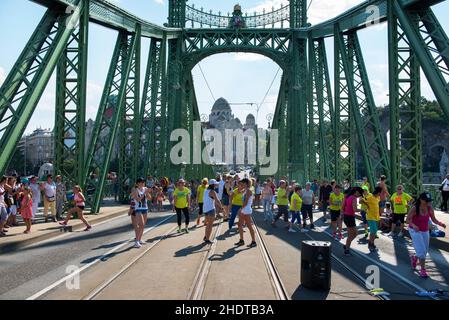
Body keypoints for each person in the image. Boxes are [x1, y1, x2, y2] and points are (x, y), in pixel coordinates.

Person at [406, 192, 446, 278]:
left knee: (425, 250)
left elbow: (434, 219)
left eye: (429, 201)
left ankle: (414, 258)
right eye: (426, 201)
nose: (428, 202)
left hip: (425, 230)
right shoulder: (415, 208)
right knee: (421, 251)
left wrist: (441, 223)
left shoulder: (430, 208)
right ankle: (423, 270)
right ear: (421, 200)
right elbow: (408, 219)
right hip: (415, 230)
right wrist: (414, 225)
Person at [341, 187, 364, 255]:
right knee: (351, 234)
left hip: (347, 216)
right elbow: (355, 209)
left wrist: (342, 214)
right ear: (356, 192)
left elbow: (342, 207)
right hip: (350, 217)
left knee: (354, 233)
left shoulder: (347, 196)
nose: (359, 196)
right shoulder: (353, 198)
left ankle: (346, 245)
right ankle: (347, 249)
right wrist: (362, 210)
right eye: (359, 194)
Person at [235, 178, 257, 248]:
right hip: (244, 209)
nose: (241, 185)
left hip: (246, 210)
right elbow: (238, 192)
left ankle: (253, 241)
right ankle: (241, 240)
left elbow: (246, 201)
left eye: (243, 183)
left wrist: (240, 209)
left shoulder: (248, 191)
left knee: (249, 226)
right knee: (239, 225)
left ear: (246, 184)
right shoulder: (245, 190)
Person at [130, 178, 152, 248]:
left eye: (143, 182)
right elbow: (138, 199)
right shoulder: (135, 190)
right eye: (141, 182)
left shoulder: (145, 189)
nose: (143, 183)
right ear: (137, 183)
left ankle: (139, 240)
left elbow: (149, 198)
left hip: (145, 208)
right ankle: (136, 241)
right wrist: (144, 194)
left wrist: (147, 193)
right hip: (138, 209)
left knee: (143, 225)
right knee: (141, 224)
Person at [202, 179, 224, 245]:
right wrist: (221, 207)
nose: (217, 185)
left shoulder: (206, 190)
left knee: (208, 224)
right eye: (216, 184)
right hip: (211, 209)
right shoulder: (212, 192)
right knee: (210, 225)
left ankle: (206, 236)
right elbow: (217, 201)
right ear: (213, 185)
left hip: (205, 209)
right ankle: (207, 239)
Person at [364, 187, 382, 252]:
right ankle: (371, 244)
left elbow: (377, 207)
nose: (381, 194)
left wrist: (379, 217)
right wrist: (367, 205)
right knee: (373, 231)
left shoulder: (378, 198)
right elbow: (361, 200)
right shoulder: (370, 197)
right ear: (379, 192)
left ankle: (371, 243)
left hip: (376, 217)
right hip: (370, 217)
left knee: (374, 231)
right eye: (381, 193)